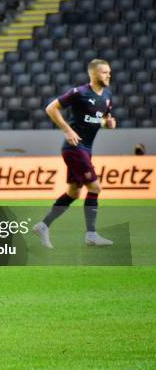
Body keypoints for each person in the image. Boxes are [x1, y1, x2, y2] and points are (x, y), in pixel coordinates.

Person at [33, 59, 116, 249]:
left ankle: (43, 225)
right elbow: (50, 108)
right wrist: (67, 130)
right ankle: (91, 235)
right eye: (104, 72)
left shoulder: (108, 96)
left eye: (109, 72)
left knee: (73, 193)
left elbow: (101, 119)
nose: (108, 75)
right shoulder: (79, 92)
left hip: (86, 149)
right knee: (95, 188)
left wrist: (108, 124)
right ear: (93, 74)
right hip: (74, 148)